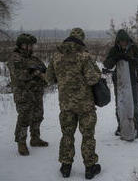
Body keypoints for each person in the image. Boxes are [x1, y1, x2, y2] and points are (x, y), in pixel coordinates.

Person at [46, 28, 101, 179]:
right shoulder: (84, 56)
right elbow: (92, 79)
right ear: (81, 40)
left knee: (67, 135)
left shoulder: (56, 57)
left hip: (65, 105)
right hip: (85, 105)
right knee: (88, 136)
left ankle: (65, 167)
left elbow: (49, 78)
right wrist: (98, 73)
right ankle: (90, 168)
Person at [8, 33, 48, 156]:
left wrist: (38, 73)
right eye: (28, 45)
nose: (30, 47)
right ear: (21, 45)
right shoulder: (15, 58)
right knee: (24, 118)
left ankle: (35, 138)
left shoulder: (34, 59)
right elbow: (21, 75)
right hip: (23, 93)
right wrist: (35, 73)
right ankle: (21, 142)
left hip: (36, 93)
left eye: (31, 45)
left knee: (38, 115)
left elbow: (44, 70)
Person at [103, 29, 138, 138]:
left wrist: (130, 59)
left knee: (135, 105)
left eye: (125, 41)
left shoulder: (133, 48)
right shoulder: (114, 50)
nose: (123, 43)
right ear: (118, 41)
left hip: (133, 82)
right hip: (120, 83)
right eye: (121, 41)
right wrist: (116, 58)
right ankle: (121, 126)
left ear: (128, 40)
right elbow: (107, 64)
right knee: (120, 105)